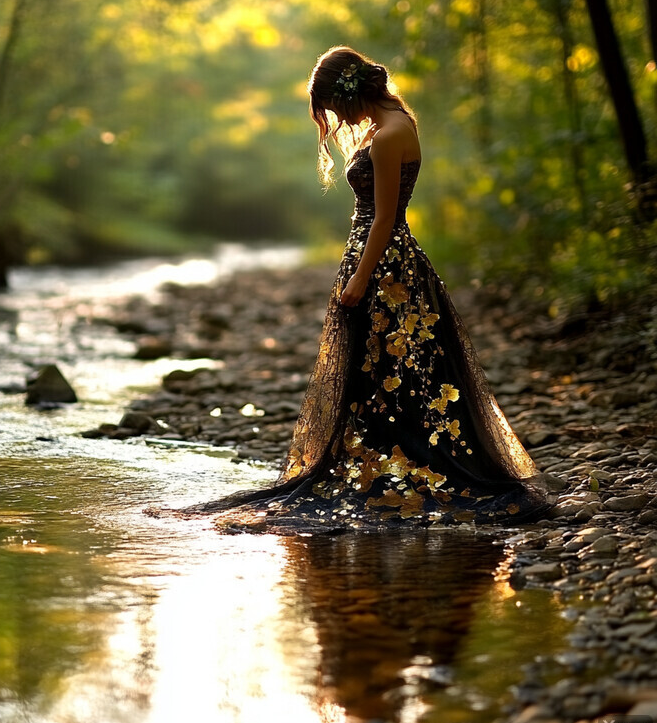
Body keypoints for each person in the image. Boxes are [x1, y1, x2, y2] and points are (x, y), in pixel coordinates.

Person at [176, 46, 551, 533]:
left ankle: (408, 467)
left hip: (387, 270)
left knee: (395, 371)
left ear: (347, 93)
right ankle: (379, 459)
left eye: (332, 107)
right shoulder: (388, 124)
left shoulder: (393, 132)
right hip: (377, 265)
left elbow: (388, 218)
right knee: (377, 373)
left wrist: (360, 278)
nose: (333, 119)